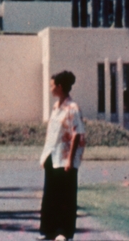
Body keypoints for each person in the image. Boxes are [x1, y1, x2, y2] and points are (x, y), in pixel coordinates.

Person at [38, 71, 86, 241]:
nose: (50, 89)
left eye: (52, 85)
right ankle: (49, 231)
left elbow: (77, 134)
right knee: (50, 195)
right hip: (53, 156)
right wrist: (45, 155)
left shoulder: (73, 108)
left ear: (59, 87)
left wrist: (70, 161)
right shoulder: (56, 107)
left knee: (65, 197)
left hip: (66, 159)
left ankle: (63, 232)